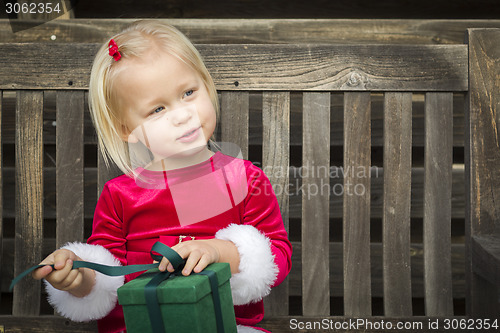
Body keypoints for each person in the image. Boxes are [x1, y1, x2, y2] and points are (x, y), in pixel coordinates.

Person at [32, 20, 292, 333]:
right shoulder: (120, 195)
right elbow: (107, 278)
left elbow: (277, 257)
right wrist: (79, 277)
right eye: (157, 109)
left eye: (189, 92)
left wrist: (218, 251)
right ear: (127, 130)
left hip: (225, 325)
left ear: (206, 86)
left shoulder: (244, 179)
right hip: (140, 326)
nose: (182, 114)